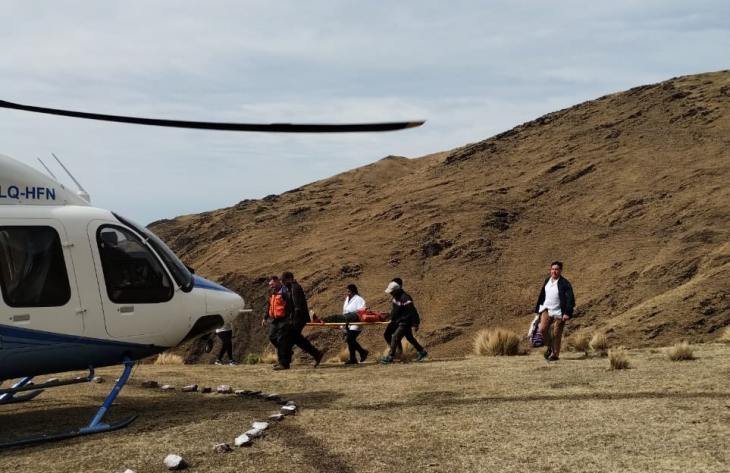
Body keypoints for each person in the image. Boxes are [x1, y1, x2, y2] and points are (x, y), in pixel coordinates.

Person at [533, 261, 575, 361]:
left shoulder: (565, 283)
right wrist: (538, 309)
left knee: (556, 334)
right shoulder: (547, 280)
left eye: (556, 269)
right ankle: (550, 347)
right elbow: (542, 295)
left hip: (559, 312)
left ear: (560, 270)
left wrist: (567, 313)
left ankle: (555, 355)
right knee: (542, 330)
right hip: (546, 309)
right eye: (552, 269)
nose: (554, 271)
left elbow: (570, 299)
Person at [281, 271, 325, 367]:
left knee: (288, 338)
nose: (283, 283)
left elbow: (297, 306)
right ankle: (317, 354)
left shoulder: (295, 288)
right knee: (297, 339)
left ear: (289, 279)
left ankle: (284, 363)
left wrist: (293, 320)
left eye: (284, 281)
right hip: (298, 318)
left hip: (298, 318)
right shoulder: (291, 288)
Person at [381, 281, 427, 363]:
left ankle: (391, 356)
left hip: (405, 321)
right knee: (408, 337)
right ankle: (421, 351)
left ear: (397, 290)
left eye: (392, 291)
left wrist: (416, 323)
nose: (390, 293)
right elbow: (395, 310)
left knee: (395, 337)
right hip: (398, 321)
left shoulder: (405, 298)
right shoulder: (395, 297)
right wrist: (389, 316)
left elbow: (413, 311)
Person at [263, 276, 295, 370]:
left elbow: (290, 305)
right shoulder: (272, 293)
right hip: (275, 319)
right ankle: (286, 351)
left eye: (272, 284)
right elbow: (269, 305)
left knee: (281, 340)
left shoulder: (285, 292)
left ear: (277, 281)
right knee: (272, 337)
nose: (271, 286)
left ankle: (283, 363)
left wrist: (290, 318)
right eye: (270, 285)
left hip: (284, 319)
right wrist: (265, 318)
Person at [341, 284, 369, 364]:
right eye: (347, 291)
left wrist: (353, 315)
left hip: (356, 323)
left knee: (350, 339)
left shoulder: (359, 299)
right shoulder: (347, 299)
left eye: (349, 291)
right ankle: (353, 359)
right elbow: (345, 311)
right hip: (348, 322)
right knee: (350, 341)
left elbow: (362, 310)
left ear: (353, 291)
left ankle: (363, 352)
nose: (347, 293)